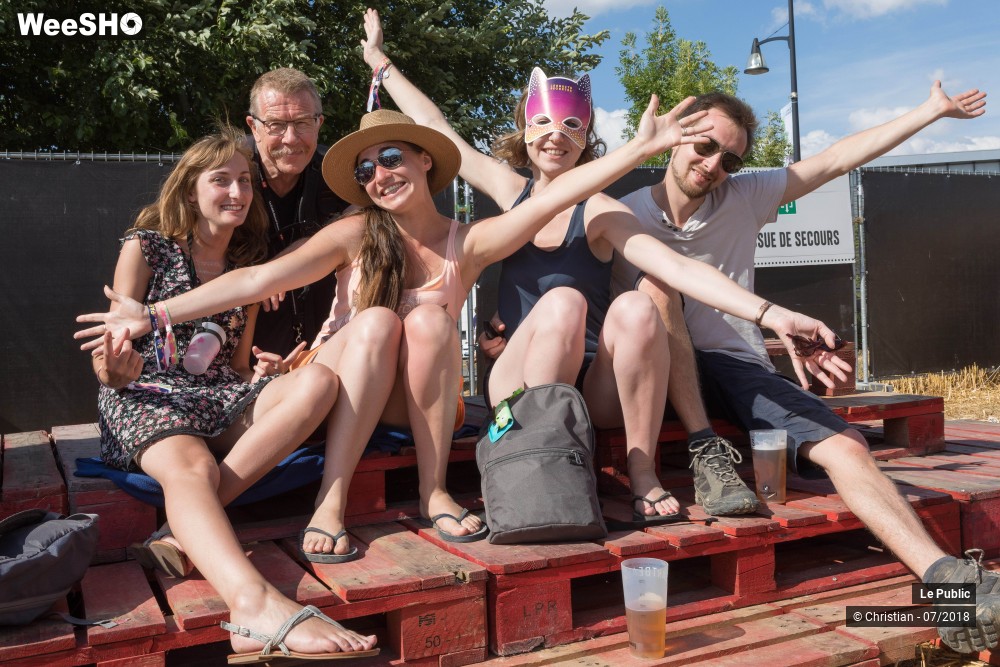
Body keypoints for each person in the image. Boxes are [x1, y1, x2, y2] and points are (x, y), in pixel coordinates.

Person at [77, 99, 713, 559]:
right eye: (365, 170)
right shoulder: (354, 233)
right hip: (350, 394)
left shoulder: (469, 242)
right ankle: (330, 502)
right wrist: (155, 314)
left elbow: (549, 199)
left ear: (424, 164)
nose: (378, 175)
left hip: (419, 404)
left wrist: (635, 151)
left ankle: (436, 492)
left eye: (390, 158)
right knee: (381, 318)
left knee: (432, 321)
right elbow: (255, 282)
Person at [360, 9, 851, 527]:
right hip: (517, 386)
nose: (555, 135)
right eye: (543, 122)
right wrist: (378, 60)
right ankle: (535, 459)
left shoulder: (598, 210)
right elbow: (434, 123)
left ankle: (643, 472)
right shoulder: (511, 193)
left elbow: (676, 269)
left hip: (595, 387)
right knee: (563, 302)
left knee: (641, 303)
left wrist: (771, 314)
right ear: (525, 132)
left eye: (572, 125)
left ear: (587, 137)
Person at [611, 86, 999, 654]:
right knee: (656, 285)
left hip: (731, 361)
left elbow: (837, 158)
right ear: (676, 137)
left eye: (732, 158)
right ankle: (703, 446)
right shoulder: (621, 211)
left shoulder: (744, 196)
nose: (714, 164)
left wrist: (931, 111)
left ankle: (948, 584)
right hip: (648, 365)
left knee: (845, 449)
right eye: (704, 145)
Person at [87, 128, 378, 661]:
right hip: (146, 396)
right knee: (191, 467)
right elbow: (111, 349)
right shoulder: (145, 246)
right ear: (189, 190)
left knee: (317, 381)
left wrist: (269, 373)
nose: (237, 193)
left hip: (216, 397)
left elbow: (235, 368)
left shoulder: (247, 274)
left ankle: (182, 529)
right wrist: (115, 370)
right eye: (220, 180)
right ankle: (253, 605)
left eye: (245, 181)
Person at [246, 68, 351, 359]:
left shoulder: (342, 176)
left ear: (319, 123)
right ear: (254, 127)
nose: (291, 139)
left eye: (303, 123)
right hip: (231, 360)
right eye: (276, 125)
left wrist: (280, 268)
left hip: (322, 352)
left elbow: (366, 222)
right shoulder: (225, 172)